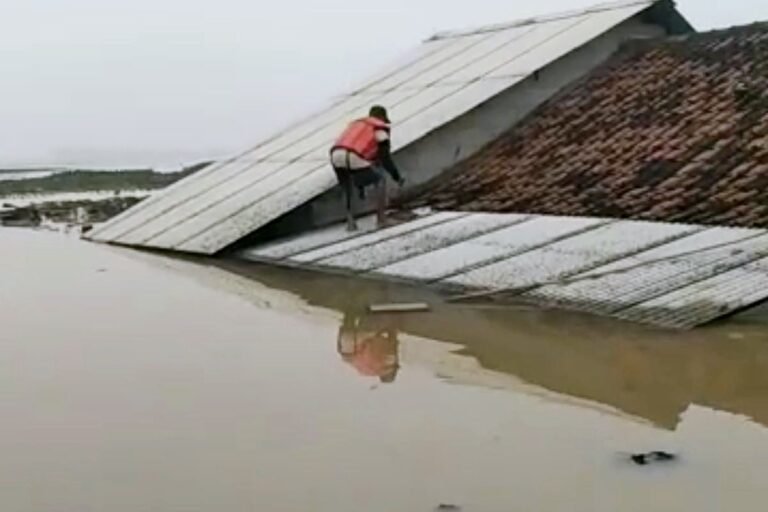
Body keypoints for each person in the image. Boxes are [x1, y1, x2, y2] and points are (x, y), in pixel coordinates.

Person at [330, 105, 405, 231]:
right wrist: (397, 177)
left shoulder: (358, 125)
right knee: (380, 179)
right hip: (354, 156)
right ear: (381, 117)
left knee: (347, 187)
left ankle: (351, 223)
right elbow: (385, 160)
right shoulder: (380, 131)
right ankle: (381, 220)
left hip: (336, 155)